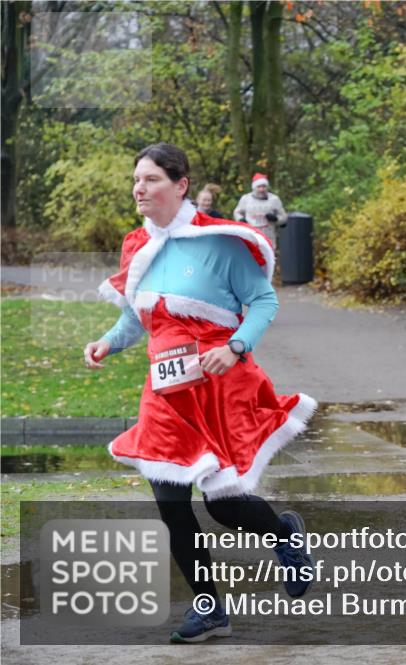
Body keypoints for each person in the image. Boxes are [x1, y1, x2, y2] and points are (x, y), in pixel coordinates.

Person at [84, 143, 317, 643]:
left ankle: (284, 534)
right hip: (166, 395)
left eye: (150, 180)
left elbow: (263, 301)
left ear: (181, 185)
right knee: (170, 503)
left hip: (219, 387)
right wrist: (108, 342)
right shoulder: (137, 246)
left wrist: (234, 348)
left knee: (224, 506)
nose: (138, 189)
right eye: (136, 180)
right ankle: (209, 608)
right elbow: (135, 317)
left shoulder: (220, 242)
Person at [233, 172, 287, 249]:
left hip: (269, 235)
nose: (261, 189)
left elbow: (284, 218)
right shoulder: (246, 199)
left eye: (264, 186)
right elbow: (237, 212)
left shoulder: (274, 199)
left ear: (267, 187)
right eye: (259, 187)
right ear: (254, 187)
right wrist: (241, 219)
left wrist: (276, 219)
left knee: (268, 258)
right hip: (251, 235)